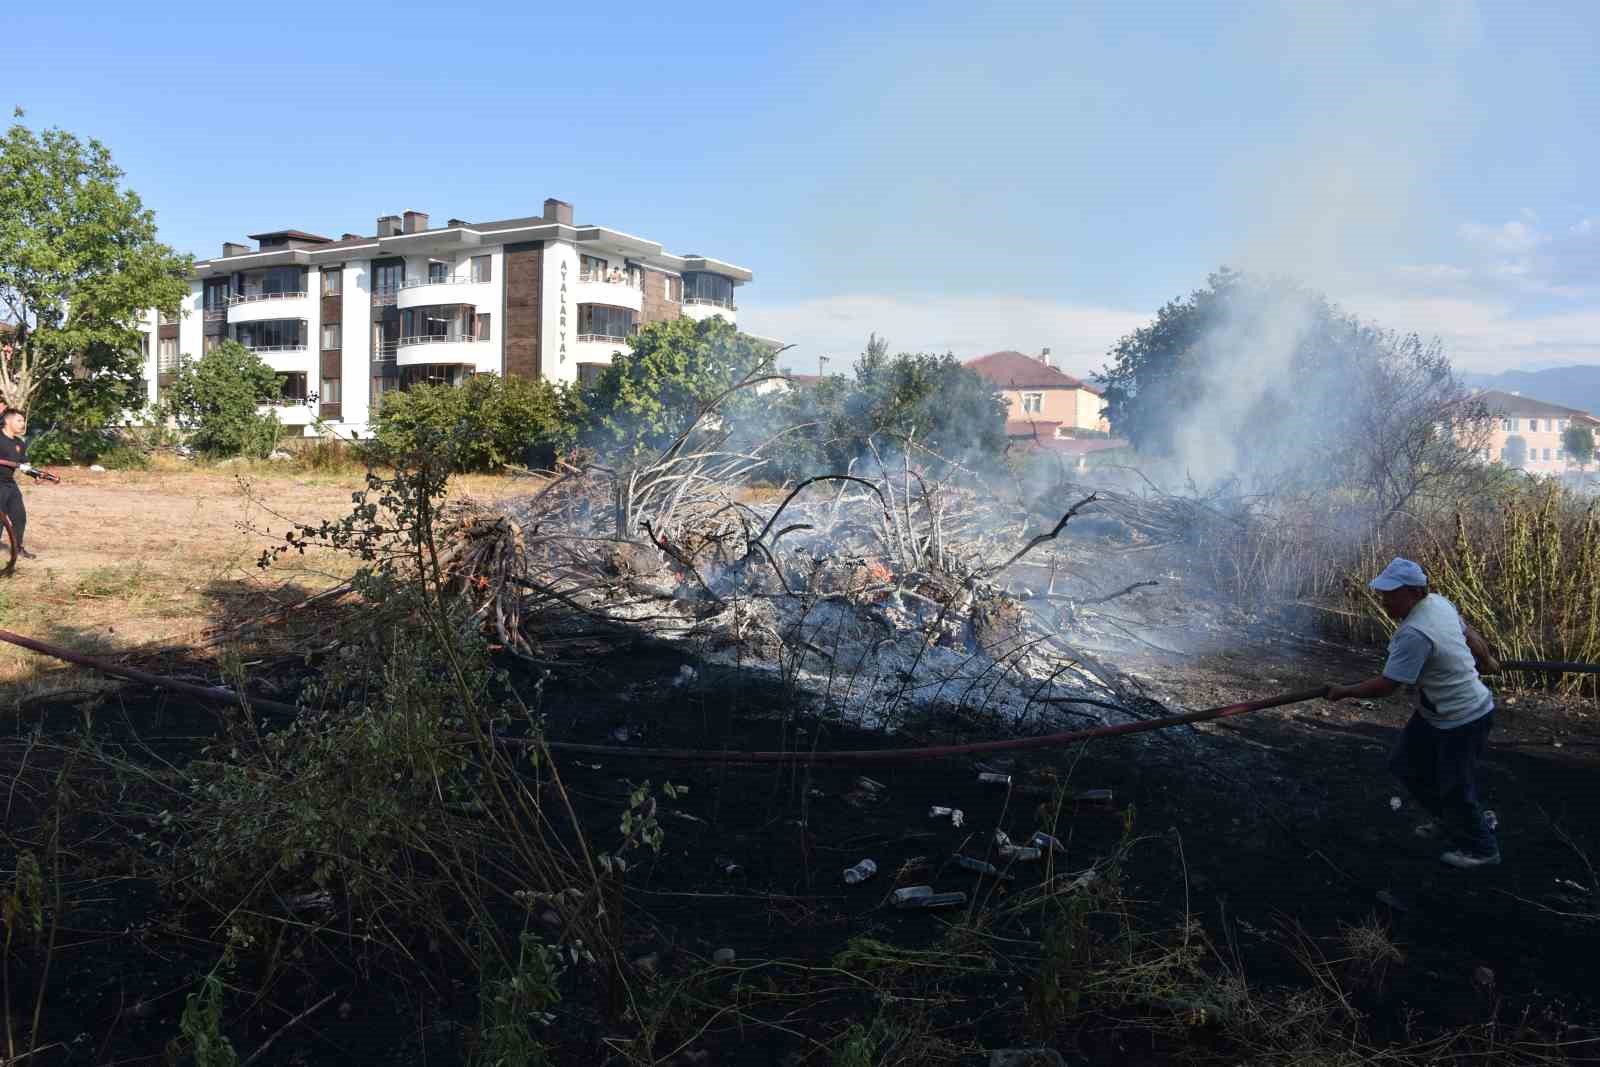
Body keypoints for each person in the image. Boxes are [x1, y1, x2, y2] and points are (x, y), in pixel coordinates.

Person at [1326, 557, 1501, 869]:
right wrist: (1486, 659)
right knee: (1406, 766)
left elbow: (1387, 686)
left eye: (1391, 594)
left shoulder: (1414, 632)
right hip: (1438, 712)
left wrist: (1344, 691)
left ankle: (1482, 847)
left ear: (1414, 592)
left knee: (1455, 787)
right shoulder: (1438, 603)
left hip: (1463, 717)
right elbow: (1469, 632)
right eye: (1384, 593)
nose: (1385, 601)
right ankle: (1450, 822)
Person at [0, 407, 37, 561]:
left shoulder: (19, 443)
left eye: (23, 421)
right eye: (19, 420)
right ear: (8, 421)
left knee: (19, 516)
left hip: (9, 483)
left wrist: (35, 474)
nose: (22, 424)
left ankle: (18, 547)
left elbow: (24, 464)